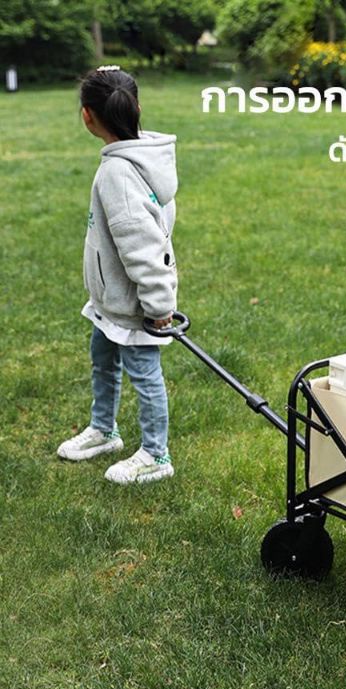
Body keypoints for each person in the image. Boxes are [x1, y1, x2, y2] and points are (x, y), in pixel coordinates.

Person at [57, 66, 178, 484]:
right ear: (136, 108)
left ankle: (156, 455)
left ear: (87, 116)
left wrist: (158, 307)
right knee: (103, 364)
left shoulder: (119, 175)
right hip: (110, 302)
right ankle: (103, 430)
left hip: (134, 307)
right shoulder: (140, 158)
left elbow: (144, 248)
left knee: (145, 376)